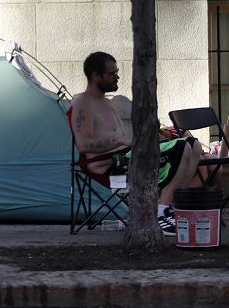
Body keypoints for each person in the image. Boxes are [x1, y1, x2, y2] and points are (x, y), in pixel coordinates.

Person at [69, 51, 202, 236]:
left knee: (193, 145)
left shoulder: (106, 103)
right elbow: (83, 145)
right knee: (182, 148)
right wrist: (119, 140)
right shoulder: (83, 103)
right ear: (96, 76)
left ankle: (169, 207)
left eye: (117, 73)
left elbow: (126, 141)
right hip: (109, 165)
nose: (117, 77)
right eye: (112, 74)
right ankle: (161, 213)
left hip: (127, 155)